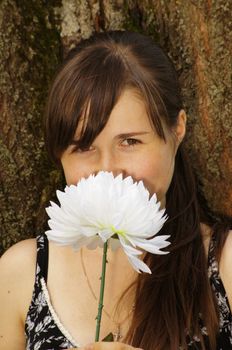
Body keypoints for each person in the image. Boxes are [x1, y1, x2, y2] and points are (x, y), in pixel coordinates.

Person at [0, 30, 231, 350]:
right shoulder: (22, 275)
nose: (108, 169)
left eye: (130, 142)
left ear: (177, 130)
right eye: (83, 147)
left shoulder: (222, 267)